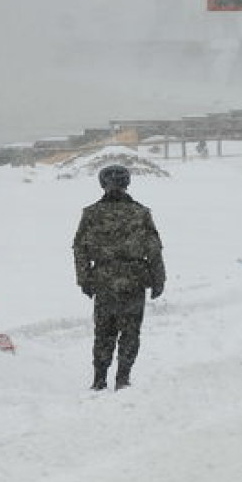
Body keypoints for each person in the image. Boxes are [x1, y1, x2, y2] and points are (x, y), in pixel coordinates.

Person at [72, 164, 166, 392]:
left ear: (102, 184)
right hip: (134, 280)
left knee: (104, 333)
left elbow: (80, 249)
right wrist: (158, 279)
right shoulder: (140, 213)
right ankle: (123, 378)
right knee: (130, 332)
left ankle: (99, 379)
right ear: (127, 183)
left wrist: (84, 279)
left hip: (104, 281)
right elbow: (154, 248)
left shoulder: (91, 214)